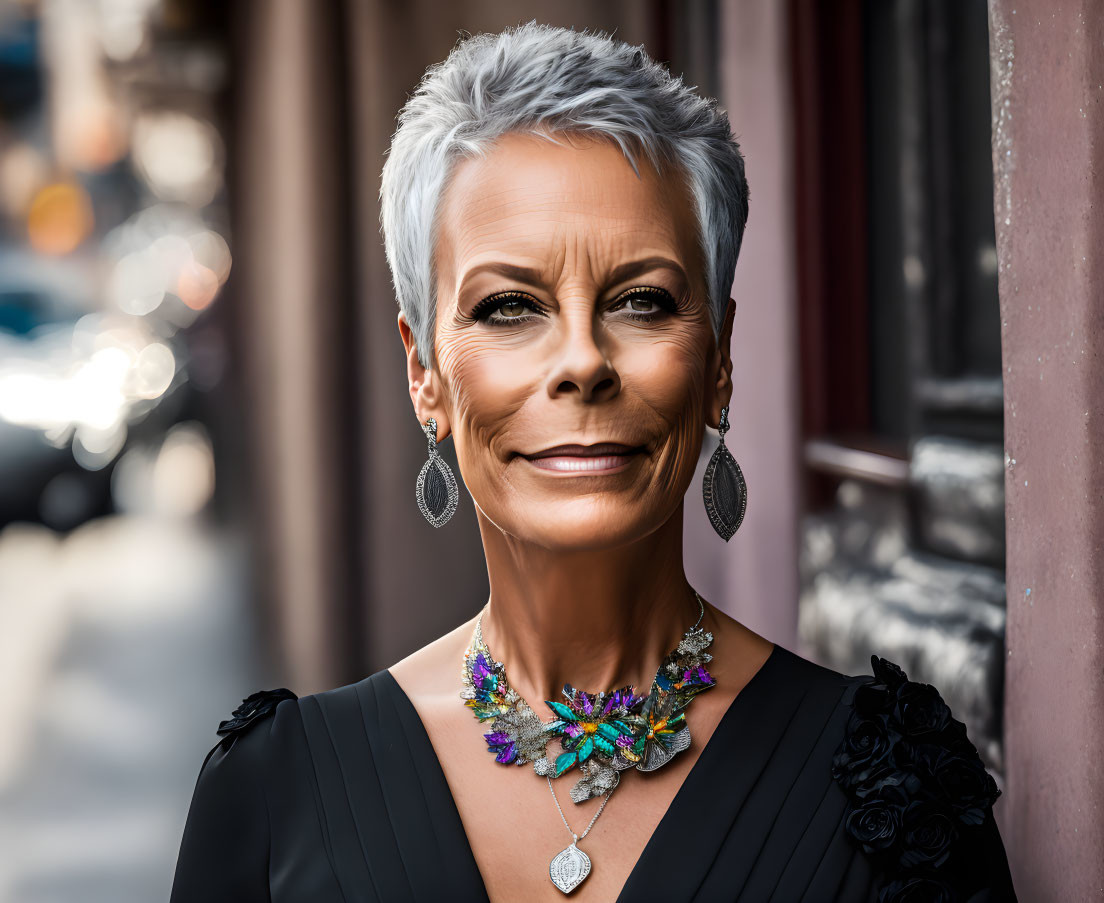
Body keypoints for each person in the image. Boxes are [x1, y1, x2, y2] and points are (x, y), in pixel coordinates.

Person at [170, 22, 1016, 902]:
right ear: (424, 373)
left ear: (719, 358)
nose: (582, 360)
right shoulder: (275, 797)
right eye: (509, 307)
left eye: (642, 300)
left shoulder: (890, 802)